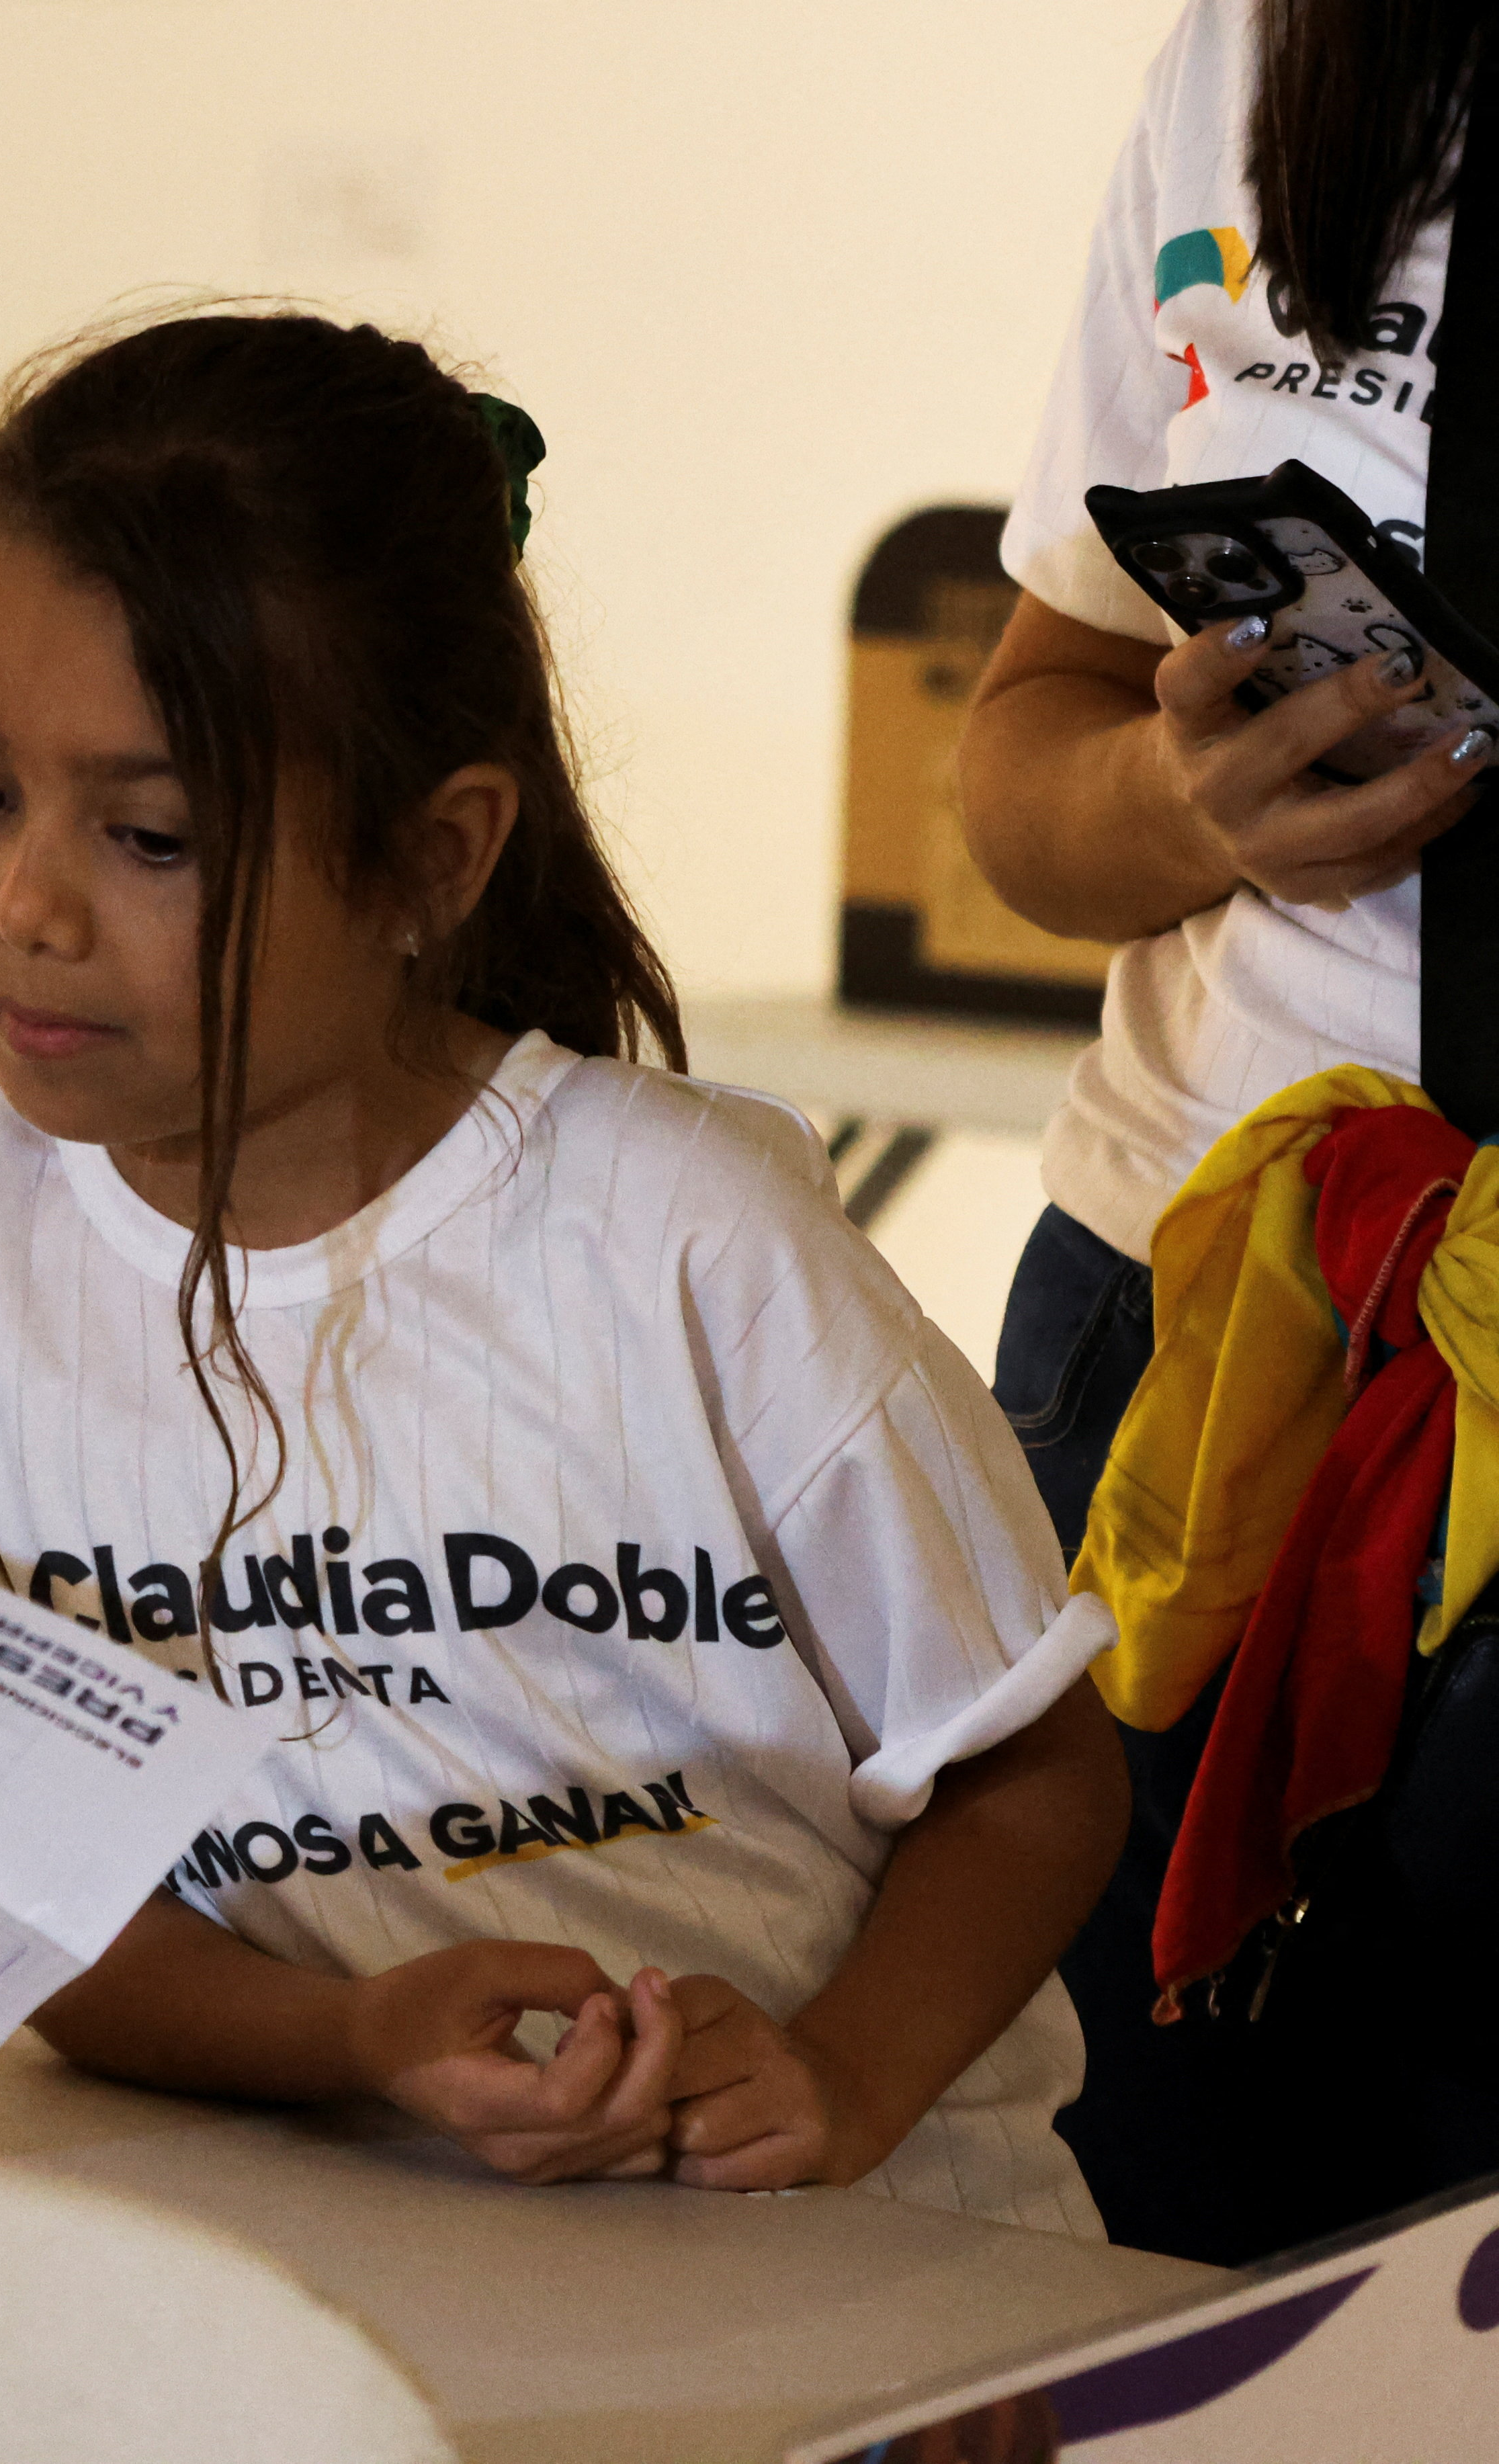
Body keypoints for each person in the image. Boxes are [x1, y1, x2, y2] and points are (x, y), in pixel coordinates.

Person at [0, 312, 1127, 2233]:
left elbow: (1035, 1774)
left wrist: (836, 2073)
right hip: (343, 2264)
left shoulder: (686, 1231)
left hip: (866, 2281)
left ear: (431, 858)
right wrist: (350, 2037)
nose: (22, 906)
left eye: (148, 832)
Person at [958, 0, 1490, 2262]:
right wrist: (1188, 799)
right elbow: (1021, 758)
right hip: (1189, 1336)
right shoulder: (1277, 47)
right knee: (1112, 2257)